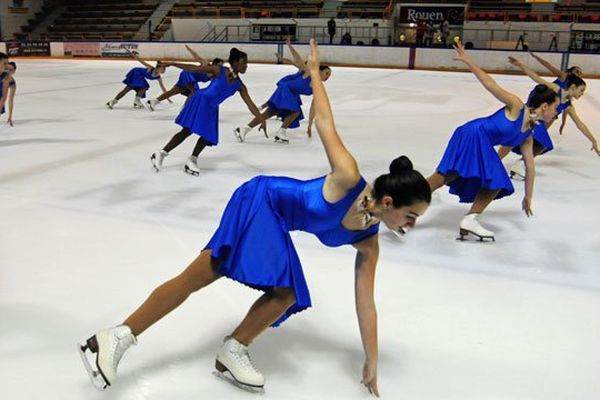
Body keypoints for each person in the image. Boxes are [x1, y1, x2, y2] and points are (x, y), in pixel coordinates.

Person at [78, 39, 431, 396]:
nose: (411, 225)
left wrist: (372, 358)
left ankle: (128, 339)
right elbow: (324, 120)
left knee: (229, 282)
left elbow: (366, 305)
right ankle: (147, 341)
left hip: (272, 218)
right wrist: (314, 75)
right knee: (257, 284)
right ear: (388, 201)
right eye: (411, 215)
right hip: (261, 199)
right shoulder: (348, 178)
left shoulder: (368, 243)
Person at [426, 42, 559, 241]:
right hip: (472, 133)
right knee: (496, 177)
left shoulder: (528, 133)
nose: (556, 113)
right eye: (555, 108)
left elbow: (530, 168)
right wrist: (468, 61)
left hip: (480, 141)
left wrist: (528, 197)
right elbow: (491, 85)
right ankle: (469, 219)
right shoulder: (516, 106)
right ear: (545, 106)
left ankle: (406, 198)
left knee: (448, 176)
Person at [149, 48, 266, 176]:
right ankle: (160, 154)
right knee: (186, 131)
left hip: (212, 108)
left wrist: (261, 118)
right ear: (235, 62)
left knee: (207, 136)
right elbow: (193, 69)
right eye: (244, 62)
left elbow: (250, 104)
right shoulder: (218, 70)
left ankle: (192, 159)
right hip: (200, 101)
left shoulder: (239, 85)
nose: (246, 66)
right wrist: (172, 63)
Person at [499, 57, 599, 178]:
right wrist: (521, 64)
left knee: (543, 143)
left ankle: (520, 164)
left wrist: (593, 140)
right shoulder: (557, 89)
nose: (582, 94)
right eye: (581, 90)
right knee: (514, 138)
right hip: (528, 114)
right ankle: (496, 161)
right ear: (572, 87)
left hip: (538, 122)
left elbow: (579, 124)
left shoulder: (568, 106)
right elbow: (537, 78)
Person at [234, 38, 331, 144]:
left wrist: (309, 125)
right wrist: (291, 46)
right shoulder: (310, 74)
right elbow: (298, 60)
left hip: (290, 93)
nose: (327, 77)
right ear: (319, 70)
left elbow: (314, 107)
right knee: (295, 111)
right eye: (326, 73)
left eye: (329, 75)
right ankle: (281, 133)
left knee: (270, 113)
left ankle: (243, 130)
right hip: (286, 89)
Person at [146, 45, 223, 111]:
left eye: (222, 65)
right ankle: (185, 109)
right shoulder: (206, 65)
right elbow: (197, 56)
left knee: (174, 91)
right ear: (214, 64)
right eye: (219, 65)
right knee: (194, 91)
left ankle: (153, 101)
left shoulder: (215, 74)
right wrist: (189, 49)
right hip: (188, 74)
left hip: (192, 79)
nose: (221, 67)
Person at [527, 51, 583, 135]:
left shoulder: (574, 89)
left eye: (580, 72)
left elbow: (566, 108)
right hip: (541, 97)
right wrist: (536, 57)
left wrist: (563, 123)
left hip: (552, 107)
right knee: (529, 117)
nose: (579, 73)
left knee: (543, 129)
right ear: (570, 72)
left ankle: (535, 138)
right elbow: (549, 66)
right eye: (577, 71)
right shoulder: (564, 77)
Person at [0, 56, 17, 126]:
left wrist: (10, 116)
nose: (9, 71)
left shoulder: (12, 82)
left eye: (11, 70)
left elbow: (10, 100)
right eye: (8, 69)